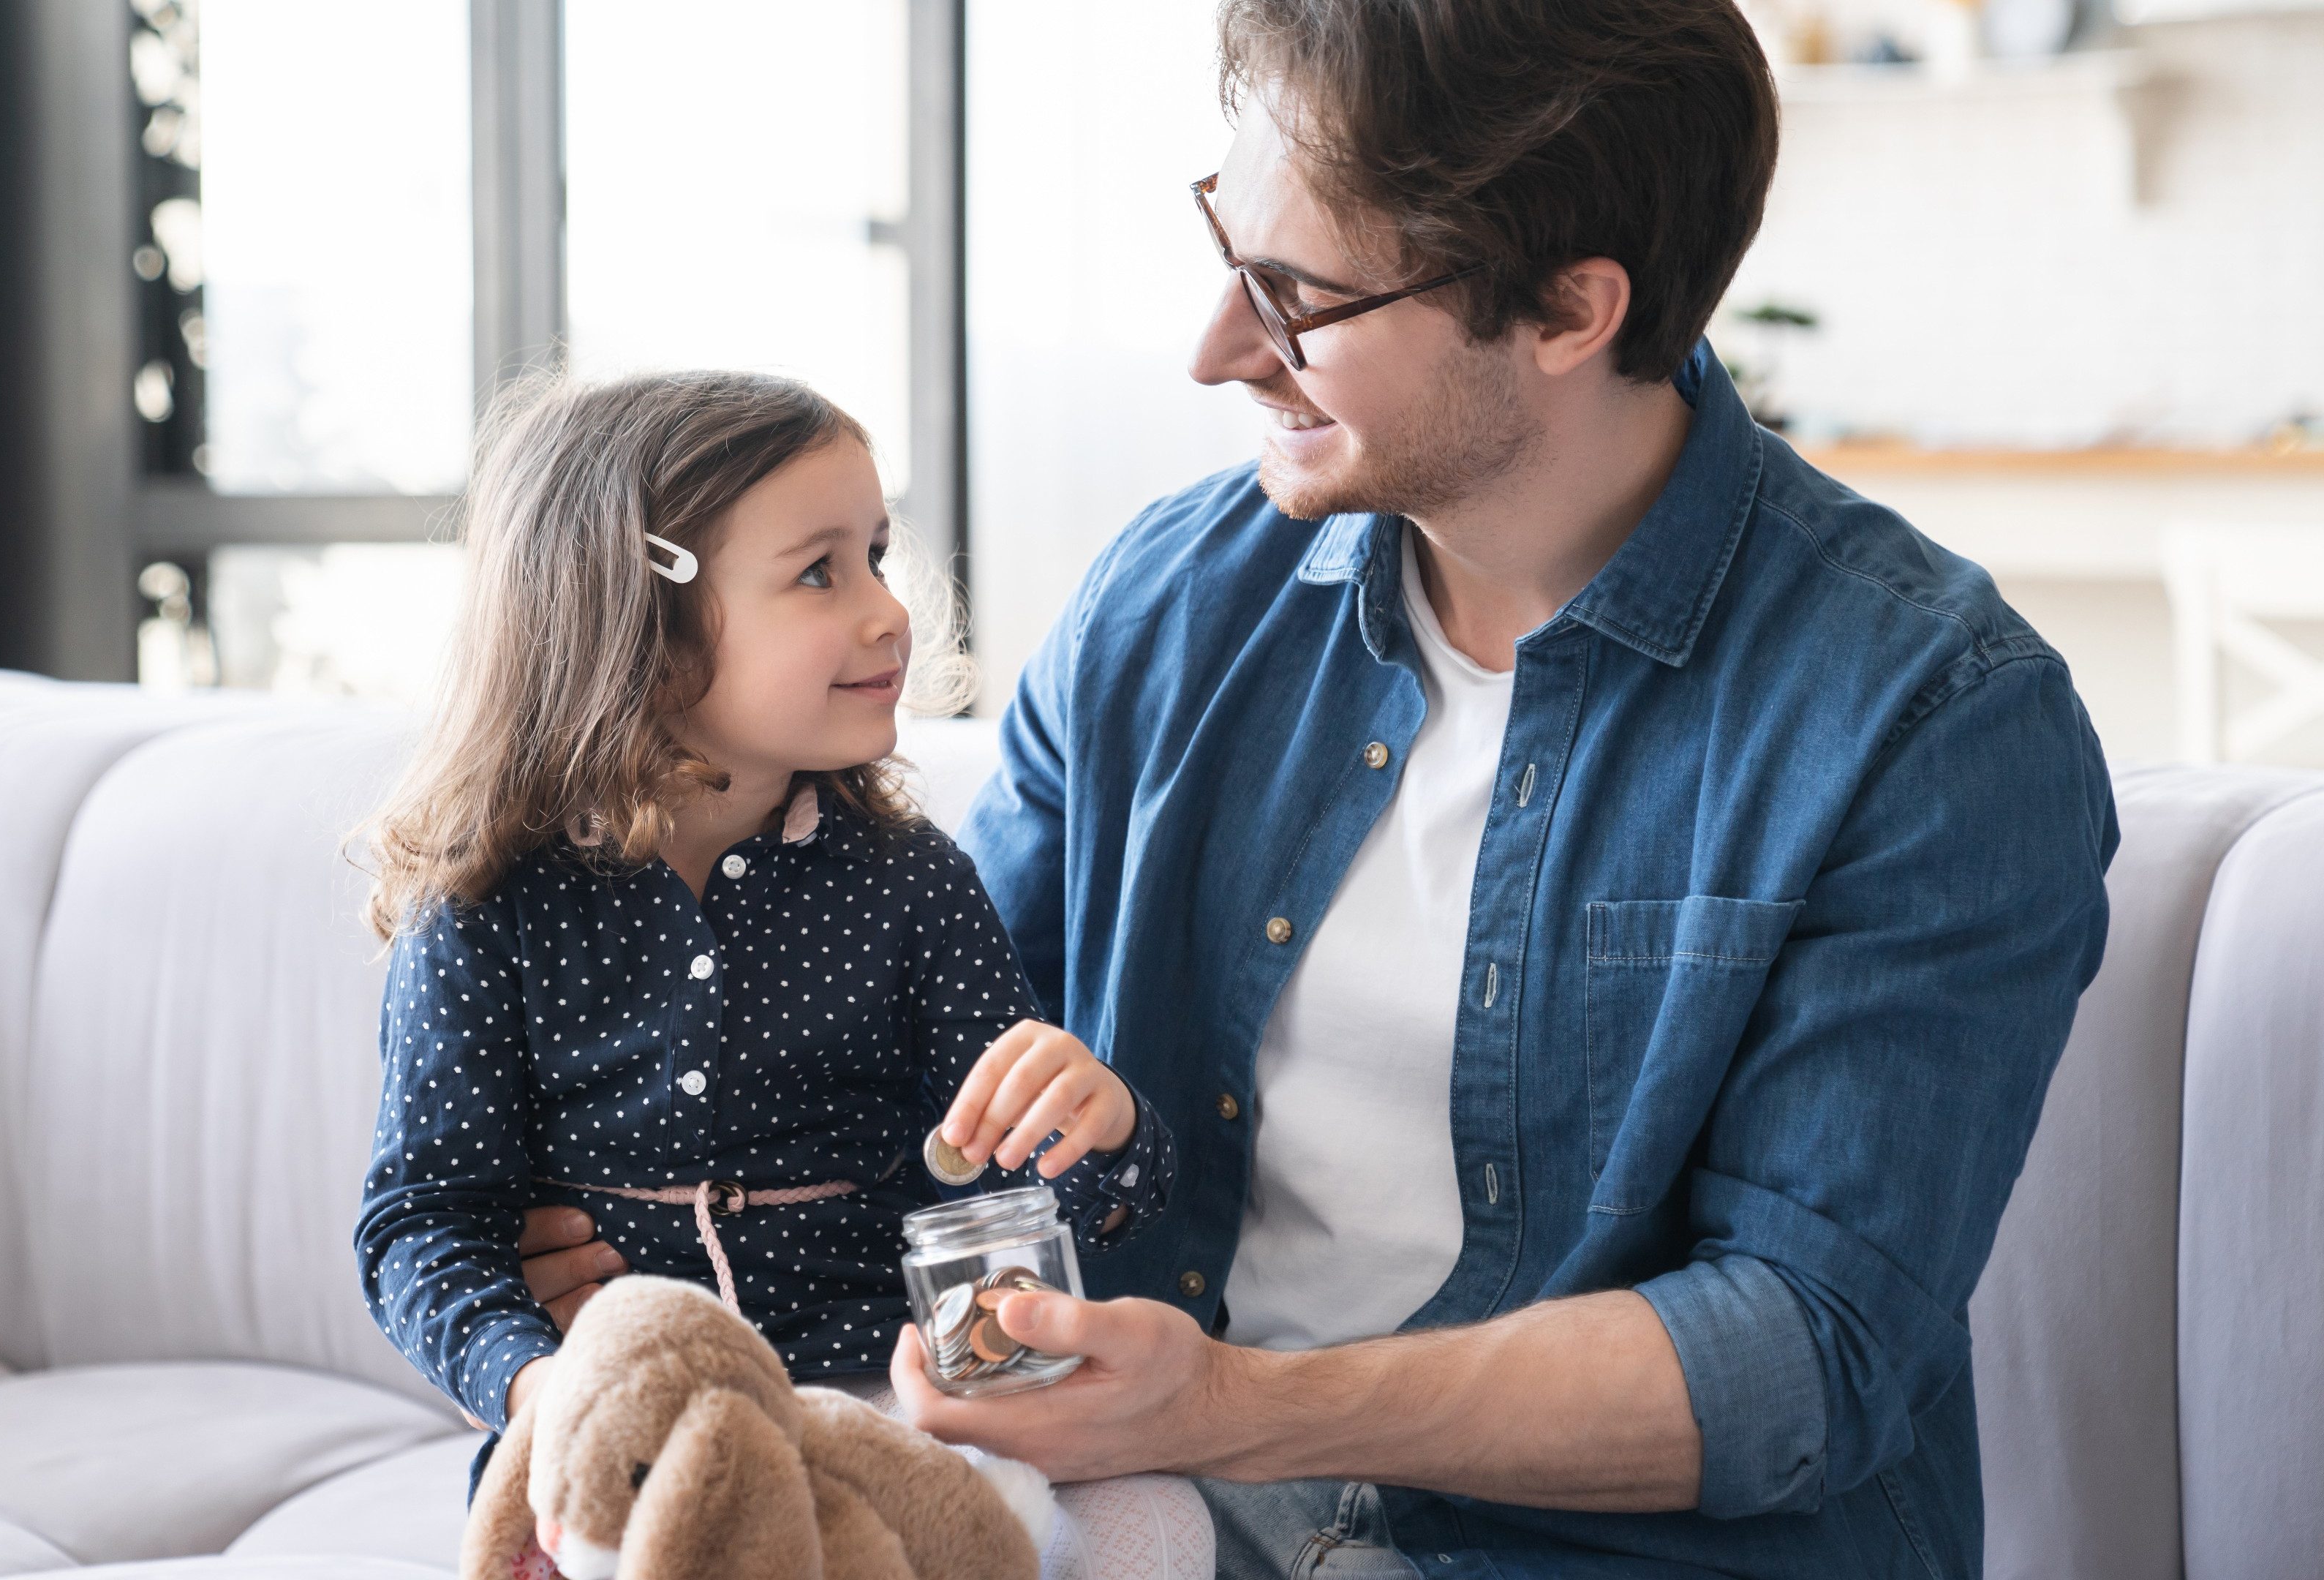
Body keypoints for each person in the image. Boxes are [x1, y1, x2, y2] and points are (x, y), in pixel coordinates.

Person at [875, 2, 2121, 1578]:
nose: (1215, 349)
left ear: (1568, 310)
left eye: (1300, 297)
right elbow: (913, 1049)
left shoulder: (1934, 720)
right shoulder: (1169, 605)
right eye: (1228, 246)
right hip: (1165, 1513)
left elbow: (1799, 1356)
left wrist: (1221, 1407)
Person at [349, 370, 1199, 1571]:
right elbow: (426, 1225)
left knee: (1156, 1524)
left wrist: (1097, 1136)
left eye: (878, 555)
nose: (888, 612)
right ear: (636, 626)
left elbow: (1010, 1203)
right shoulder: (487, 908)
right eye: (820, 571)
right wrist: (538, 1383)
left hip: (899, 1393)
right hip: (640, 1420)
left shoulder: (911, 883)